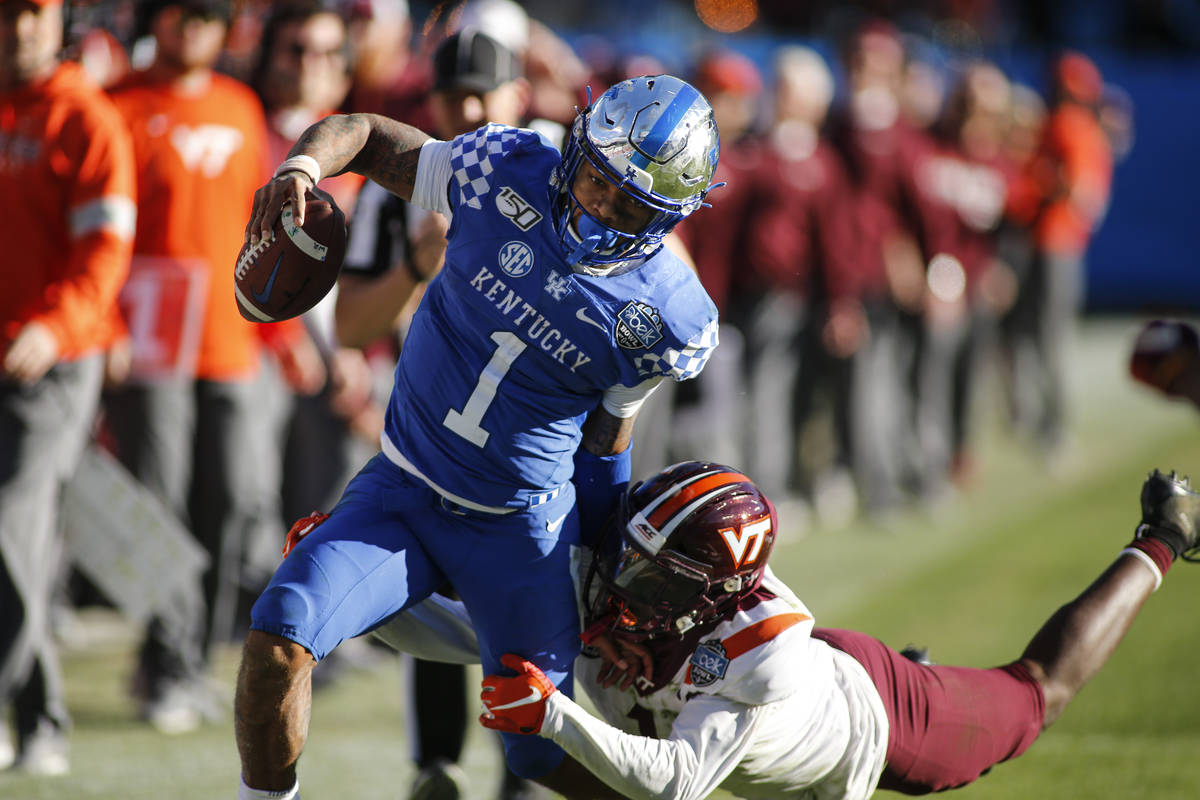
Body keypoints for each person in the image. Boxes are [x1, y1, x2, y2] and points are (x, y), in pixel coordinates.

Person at [234, 73, 722, 800]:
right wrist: (301, 166)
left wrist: (602, 571)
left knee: (537, 748)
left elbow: (605, 444)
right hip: (399, 493)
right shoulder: (504, 170)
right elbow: (366, 134)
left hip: (520, 534)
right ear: (577, 146)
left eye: (628, 204)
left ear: (668, 218)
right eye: (594, 180)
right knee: (279, 639)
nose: (598, 207)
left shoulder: (665, 315)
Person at [454, 459, 1200, 799]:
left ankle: (1163, 536)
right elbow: (465, 627)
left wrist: (554, 714)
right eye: (629, 559)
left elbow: (676, 783)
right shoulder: (656, 604)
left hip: (876, 718)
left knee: (1035, 696)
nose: (621, 583)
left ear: (703, 593)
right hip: (786, 708)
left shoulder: (755, 658)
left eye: (649, 575)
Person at [336, 28, 547, 800]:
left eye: (481, 93)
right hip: (426, 431)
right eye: (451, 93)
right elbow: (351, 326)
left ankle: (526, 769)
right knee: (422, 591)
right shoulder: (401, 192)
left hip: (530, 438)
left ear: (519, 97)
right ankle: (438, 768)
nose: (465, 109)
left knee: (528, 603)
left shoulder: (558, 178)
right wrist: (417, 266)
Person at [104, 0, 311, 733]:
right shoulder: (118, 104)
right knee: (158, 502)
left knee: (229, 501)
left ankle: (192, 657)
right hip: (147, 333)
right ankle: (164, 665)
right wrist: (105, 324)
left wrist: (288, 338)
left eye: (207, 14)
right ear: (154, 21)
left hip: (231, 337)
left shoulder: (240, 106)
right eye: (178, 12)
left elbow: (265, 233)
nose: (192, 25)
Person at [0, 0, 136, 773]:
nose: (20, 26)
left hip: (54, 362)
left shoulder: (87, 120)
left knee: (11, 521)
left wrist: (53, 325)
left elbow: (105, 253)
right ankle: (42, 719)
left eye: (35, 11)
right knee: (17, 545)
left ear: (61, 21)